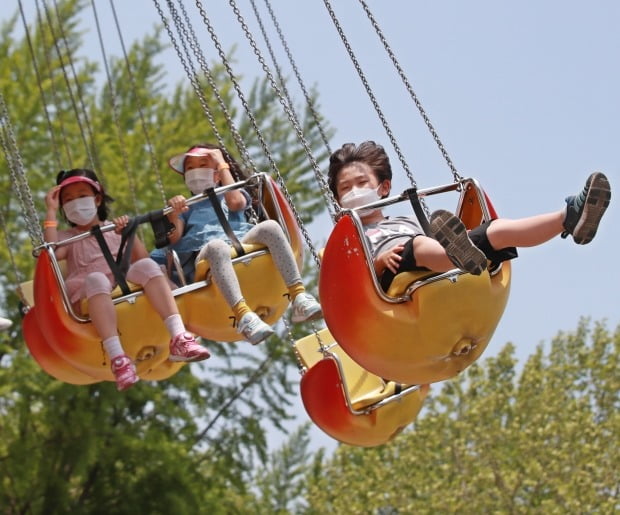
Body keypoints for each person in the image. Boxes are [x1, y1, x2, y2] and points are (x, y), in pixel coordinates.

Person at [327, 141, 611, 292]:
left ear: (384, 188)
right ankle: (459, 256)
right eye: (345, 188)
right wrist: (376, 264)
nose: (354, 192)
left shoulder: (404, 222)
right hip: (392, 274)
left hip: (432, 255)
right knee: (419, 246)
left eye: (362, 183)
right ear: (338, 200)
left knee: (497, 230)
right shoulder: (346, 239)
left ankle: (569, 217)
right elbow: (345, 285)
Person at [44, 168, 210, 391]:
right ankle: (117, 357)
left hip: (122, 279)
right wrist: (51, 212)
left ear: (97, 199)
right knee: (96, 279)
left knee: (147, 266)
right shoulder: (68, 238)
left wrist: (127, 233)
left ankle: (179, 336)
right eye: (68, 200)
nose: (76, 203)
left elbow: (141, 259)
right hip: (93, 289)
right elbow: (50, 252)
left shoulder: (114, 228)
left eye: (82, 196)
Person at [150, 143, 322, 345]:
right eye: (190, 168)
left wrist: (222, 164)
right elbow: (175, 238)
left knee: (271, 227)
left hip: (240, 240)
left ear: (216, 173)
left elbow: (236, 203)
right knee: (217, 246)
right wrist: (175, 213)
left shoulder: (229, 194)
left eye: (203, 165)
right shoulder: (188, 208)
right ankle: (243, 315)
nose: (196, 171)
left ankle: (299, 295)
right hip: (208, 254)